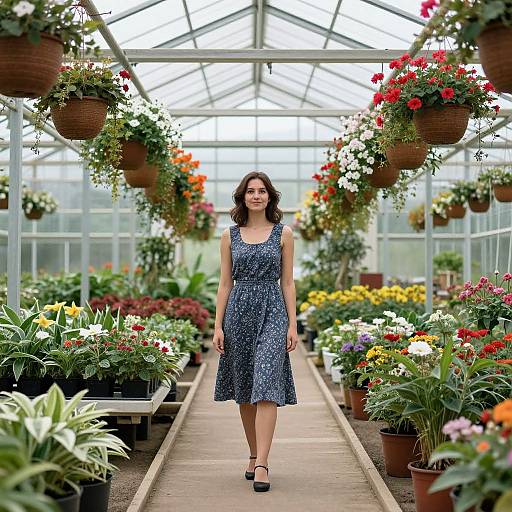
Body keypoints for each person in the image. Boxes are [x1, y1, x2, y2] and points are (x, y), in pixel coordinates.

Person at [213, 171, 298, 493]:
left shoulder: (283, 233)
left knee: (265, 385)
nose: (257, 196)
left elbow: (288, 282)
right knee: (246, 389)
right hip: (238, 312)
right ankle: (252, 454)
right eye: (251, 191)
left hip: (273, 311)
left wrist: (292, 323)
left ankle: (262, 462)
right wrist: (217, 325)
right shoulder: (229, 235)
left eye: (262, 191)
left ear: (270, 197)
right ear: (242, 197)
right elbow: (224, 284)